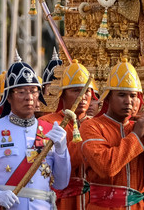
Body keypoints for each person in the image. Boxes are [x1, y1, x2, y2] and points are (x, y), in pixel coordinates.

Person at [0, 55, 71, 209]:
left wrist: (62, 151)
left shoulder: (49, 130)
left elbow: (61, 183)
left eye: (33, 91)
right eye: (21, 92)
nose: (29, 98)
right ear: (9, 97)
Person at [80, 58, 144, 209]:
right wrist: (135, 137)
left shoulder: (138, 128)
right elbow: (106, 167)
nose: (128, 101)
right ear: (108, 97)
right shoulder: (91, 126)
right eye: (122, 95)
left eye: (133, 96)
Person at [41, 59, 96, 210]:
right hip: (60, 201)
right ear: (62, 94)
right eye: (75, 90)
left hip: (94, 201)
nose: (83, 96)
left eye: (87, 91)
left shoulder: (97, 124)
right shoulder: (47, 123)